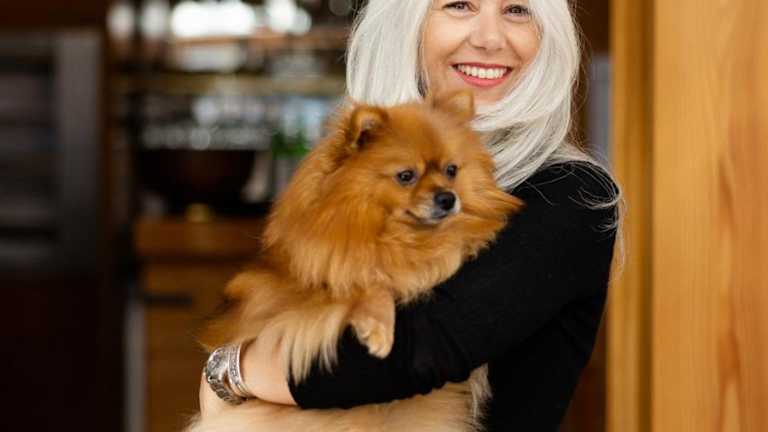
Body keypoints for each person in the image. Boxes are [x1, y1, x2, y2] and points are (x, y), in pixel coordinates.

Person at [199, 0, 621, 430]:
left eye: (517, 10)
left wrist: (233, 371)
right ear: (406, 24)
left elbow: (410, 355)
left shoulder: (571, 193)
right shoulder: (348, 173)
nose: (490, 38)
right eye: (460, 5)